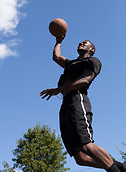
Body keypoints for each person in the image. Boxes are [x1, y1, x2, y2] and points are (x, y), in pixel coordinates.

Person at [40, 38, 126, 172]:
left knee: (86, 145)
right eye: (80, 42)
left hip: (77, 100)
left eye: (85, 43)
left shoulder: (93, 61)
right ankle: (121, 167)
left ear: (91, 50)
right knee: (80, 158)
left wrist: (58, 90)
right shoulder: (72, 64)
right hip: (65, 106)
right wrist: (58, 40)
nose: (81, 43)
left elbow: (85, 80)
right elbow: (56, 57)